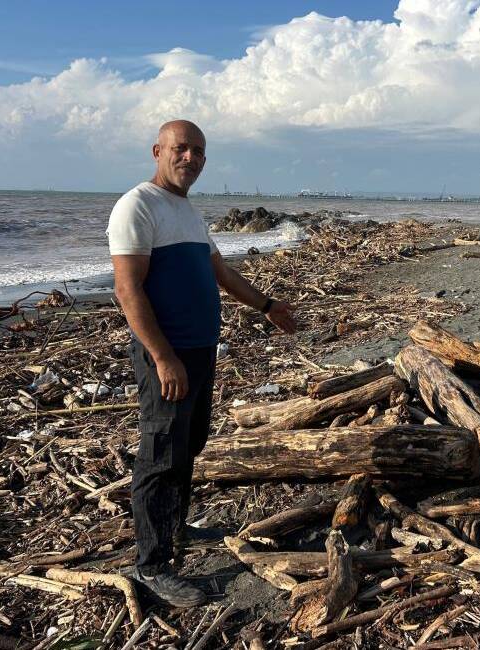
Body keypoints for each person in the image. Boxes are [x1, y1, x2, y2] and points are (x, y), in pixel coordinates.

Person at [108, 120, 297, 607]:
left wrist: (266, 305)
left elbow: (220, 271)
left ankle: (176, 528)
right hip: (165, 354)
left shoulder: (188, 212)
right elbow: (127, 290)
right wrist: (163, 356)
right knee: (160, 452)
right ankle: (151, 564)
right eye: (180, 148)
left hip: (198, 350)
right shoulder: (137, 206)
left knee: (189, 443)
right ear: (157, 151)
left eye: (197, 151)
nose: (189, 158)